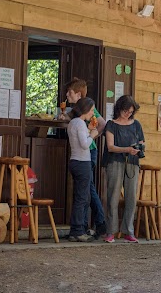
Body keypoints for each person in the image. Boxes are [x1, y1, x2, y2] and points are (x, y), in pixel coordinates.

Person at [60, 78, 107, 238]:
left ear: (78, 95)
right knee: (84, 193)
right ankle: (83, 227)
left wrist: (94, 134)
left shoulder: (86, 110)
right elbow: (83, 141)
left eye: (70, 92)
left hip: (87, 153)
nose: (67, 95)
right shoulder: (77, 120)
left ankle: (91, 224)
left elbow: (102, 123)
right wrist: (91, 135)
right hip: (82, 157)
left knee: (87, 191)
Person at [102, 95, 144, 243]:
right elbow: (110, 147)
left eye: (131, 112)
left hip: (133, 163)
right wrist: (127, 149)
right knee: (113, 196)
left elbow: (141, 142)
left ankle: (128, 230)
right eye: (126, 111)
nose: (128, 114)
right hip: (115, 162)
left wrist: (139, 148)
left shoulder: (136, 124)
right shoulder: (111, 125)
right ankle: (111, 231)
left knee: (131, 197)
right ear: (119, 108)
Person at [67, 97, 99, 242]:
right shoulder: (80, 123)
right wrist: (92, 135)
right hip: (82, 162)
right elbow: (85, 144)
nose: (92, 113)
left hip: (74, 160)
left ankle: (77, 229)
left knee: (81, 196)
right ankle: (77, 230)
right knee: (82, 198)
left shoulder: (73, 123)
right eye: (91, 110)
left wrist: (88, 130)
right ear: (85, 109)